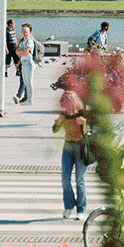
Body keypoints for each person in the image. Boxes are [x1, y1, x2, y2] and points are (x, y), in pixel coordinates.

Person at [53, 91, 87, 219]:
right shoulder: (64, 114)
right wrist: (58, 122)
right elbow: (55, 130)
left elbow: (89, 133)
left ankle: (81, 209)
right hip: (67, 147)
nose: (65, 106)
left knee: (80, 180)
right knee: (65, 179)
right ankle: (68, 206)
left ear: (73, 102)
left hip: (80, 148)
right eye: (63, 103)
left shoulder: (81, 113)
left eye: (67, 103)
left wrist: (83, 124)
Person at [16, 23, 36, 106]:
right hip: (23, 63)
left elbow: (25, 52)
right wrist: (21, 53)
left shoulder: (30, 41)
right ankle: (28, 99)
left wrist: (21, 53)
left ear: (29, 32)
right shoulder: (22, 42)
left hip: (29, 63)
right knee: (25, 82)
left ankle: (30, 100)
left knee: (29, 82)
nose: (25, 33)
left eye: (26, 32)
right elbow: (17, 52)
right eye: (23, 31)